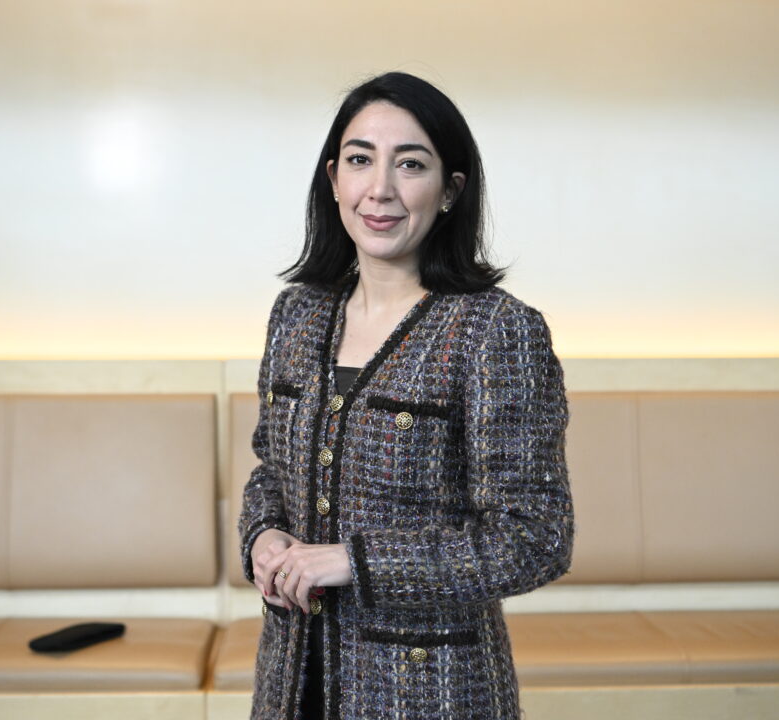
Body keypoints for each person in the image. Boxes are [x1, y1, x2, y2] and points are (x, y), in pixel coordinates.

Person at [238, 71, 574, 720]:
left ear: (450, 191)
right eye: (360, 160)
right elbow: (269, 471)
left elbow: (534, 537)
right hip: (291, 681)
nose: (381, 189)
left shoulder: (495, 330)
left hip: (430, 691)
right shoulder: (296, 314)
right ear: (334, 179)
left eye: (411, 164)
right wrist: (264, 536)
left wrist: (354, 561)